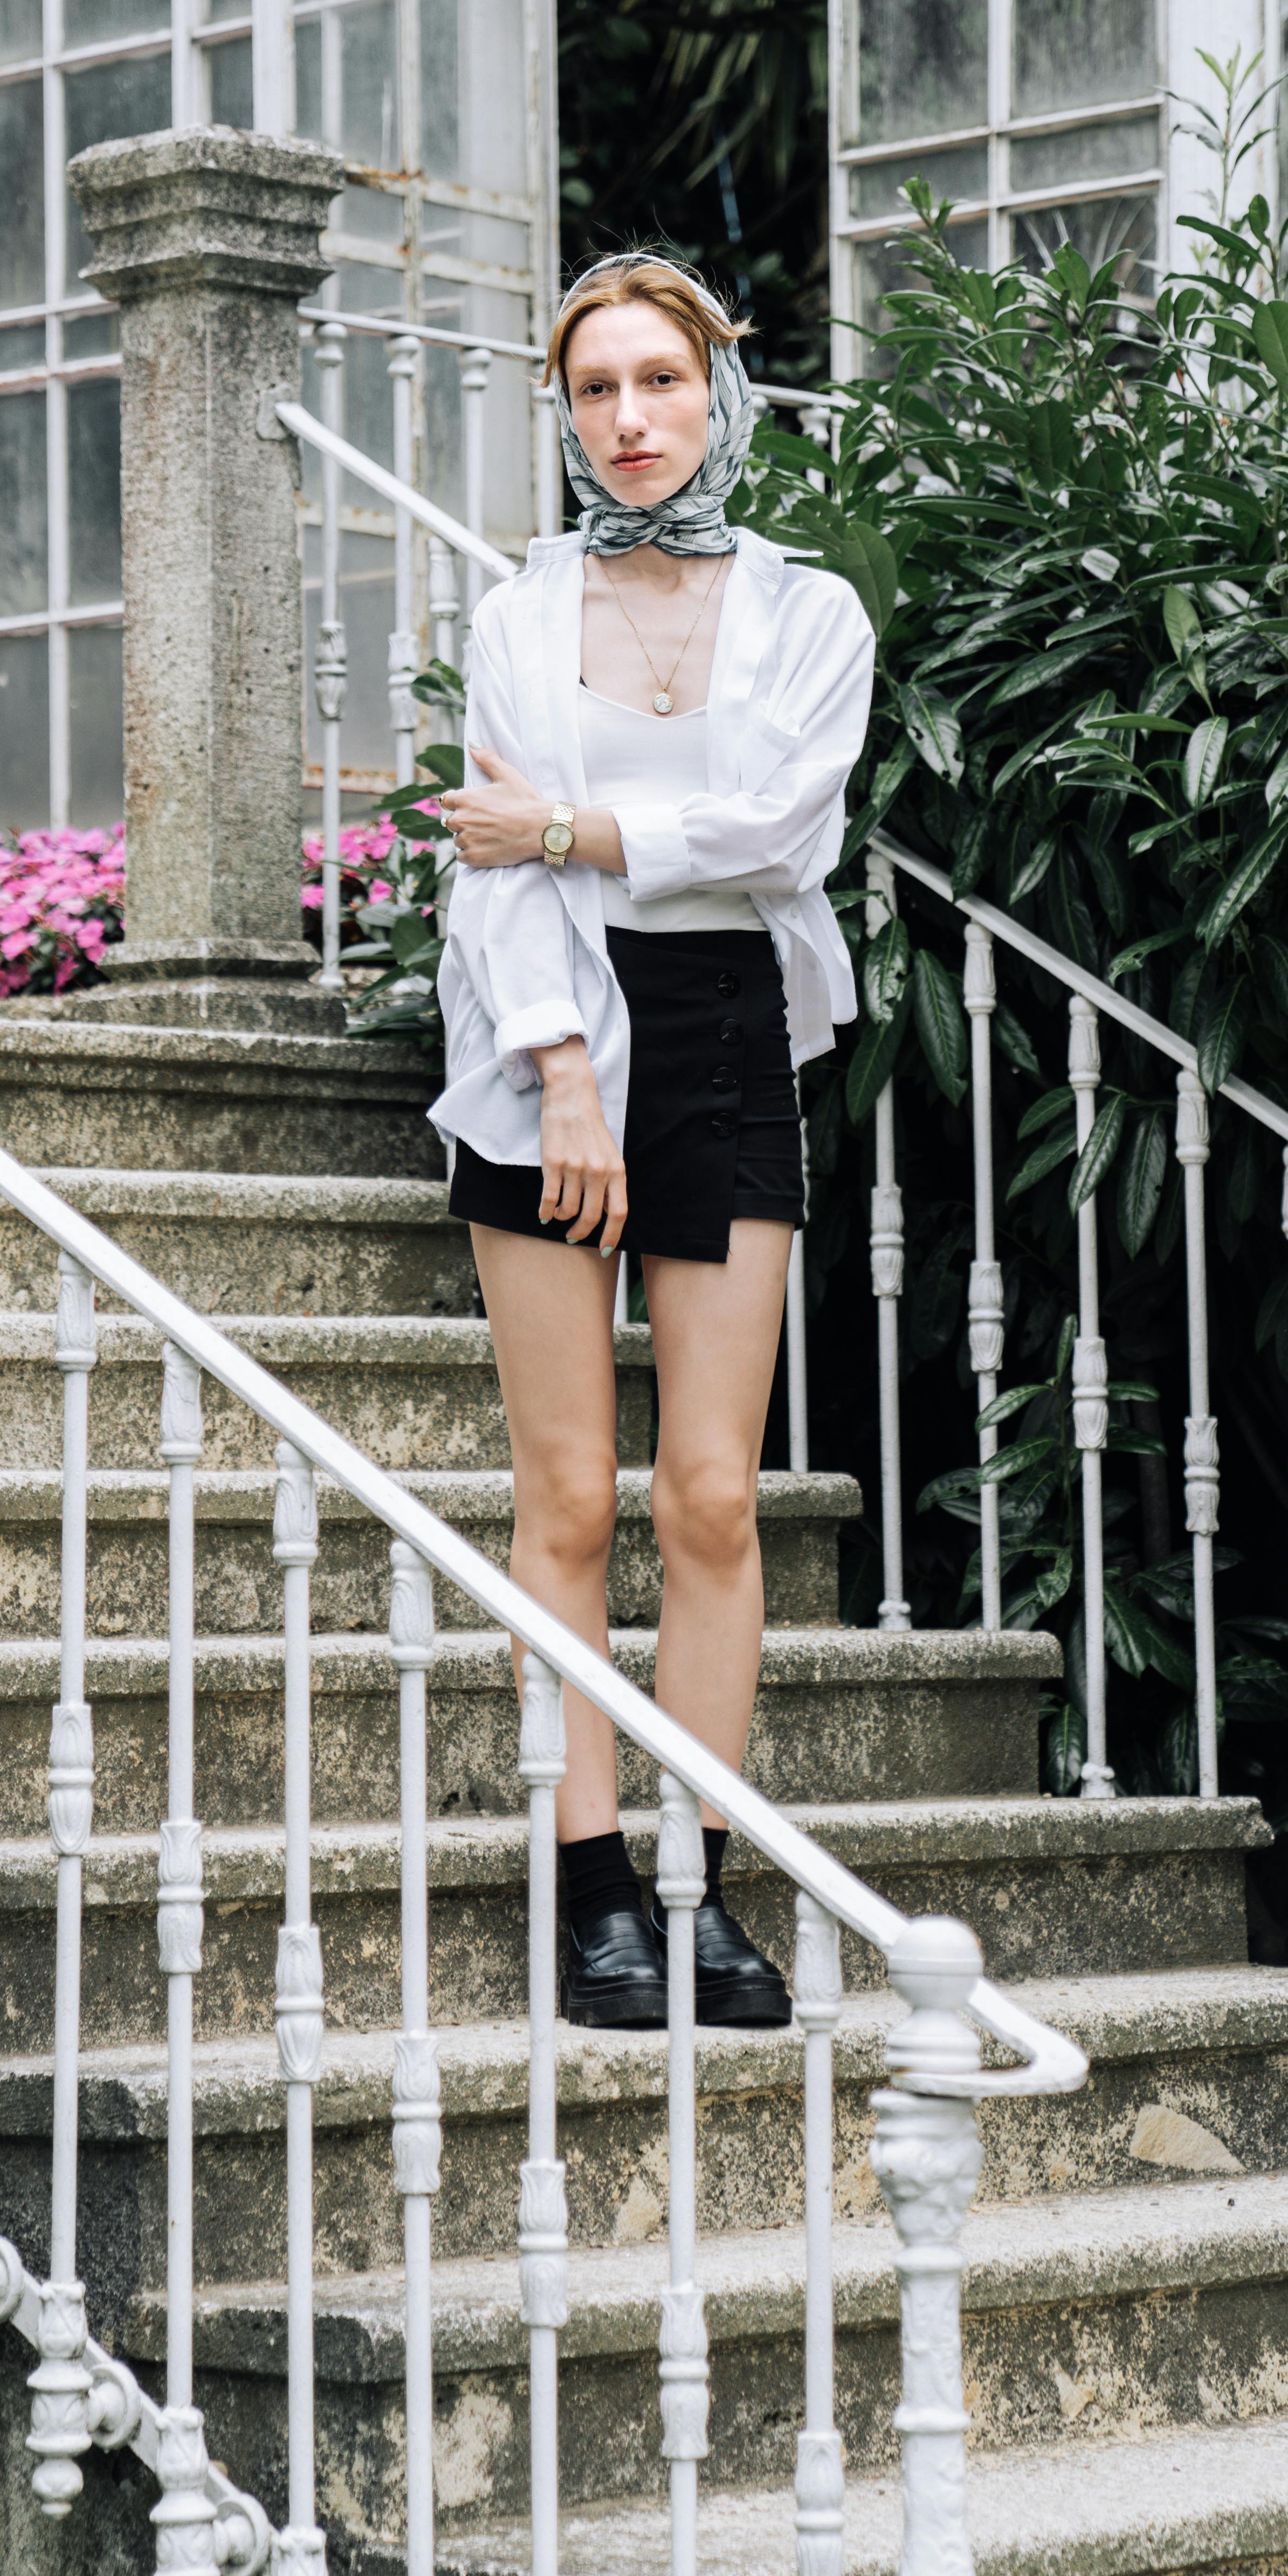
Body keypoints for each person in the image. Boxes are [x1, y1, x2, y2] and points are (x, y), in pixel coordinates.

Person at [428, 252, 874, 2028]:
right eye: (598, 389)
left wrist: (575, 827)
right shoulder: (516, 615)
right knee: (567, 1496)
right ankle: (588, 1882)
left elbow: (782, 837)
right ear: (569, 411)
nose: (629, 421)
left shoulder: (810, 609)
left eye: (660, 384)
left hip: (724, 1036)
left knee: (707, 1495)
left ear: (719, 393)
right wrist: (563, 1071)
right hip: (550, 1038)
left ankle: (699, 1878)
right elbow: (489, 865)